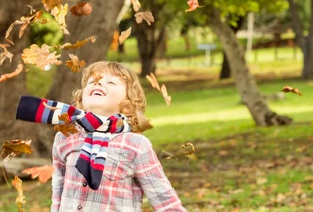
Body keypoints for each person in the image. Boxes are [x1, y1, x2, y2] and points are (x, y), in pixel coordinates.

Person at [16, 61, 186, 211]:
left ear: (127, 104)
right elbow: (59, 186)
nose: (98, 83)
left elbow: (163, 197)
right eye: (92, 81)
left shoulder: (136, 145)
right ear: (82, 98)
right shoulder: (66, 137)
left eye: (111, 82)